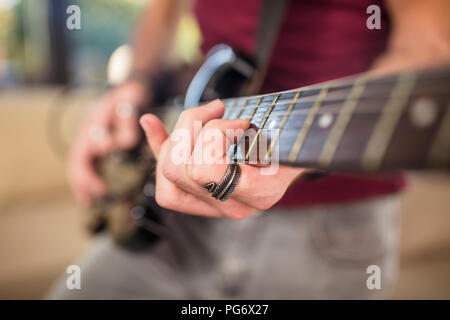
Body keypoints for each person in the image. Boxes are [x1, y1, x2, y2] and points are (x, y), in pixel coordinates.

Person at [50, 0, 449, 299]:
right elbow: (162, 13)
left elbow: (431, 44)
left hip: (331, 224)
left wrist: (291, 157)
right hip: (175, 211)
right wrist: (132, 86)